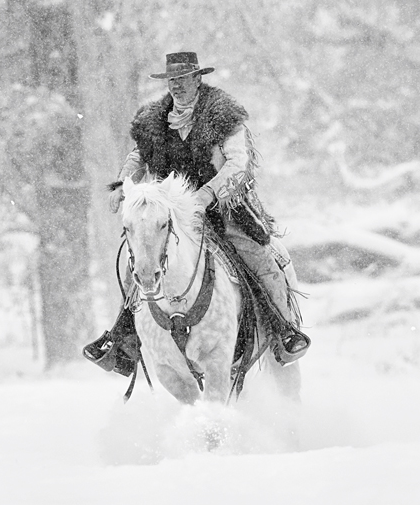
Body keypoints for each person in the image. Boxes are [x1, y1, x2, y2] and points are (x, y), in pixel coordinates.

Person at [108, 51, 310, 362]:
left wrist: (206, 196)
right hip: (170, 215)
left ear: (198, 79)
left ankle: (283, 331)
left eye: (183, 79)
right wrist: (122, 185)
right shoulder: (153, 122)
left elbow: (238, 164)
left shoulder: (223, 116)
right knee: (137, 263)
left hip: (222, 211)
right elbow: (138, 158)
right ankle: (124, 337)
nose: (177, 86)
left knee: (262, 261)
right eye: (172, 80)